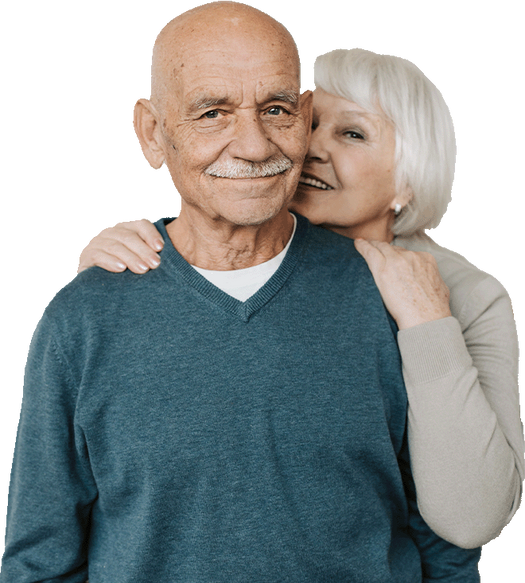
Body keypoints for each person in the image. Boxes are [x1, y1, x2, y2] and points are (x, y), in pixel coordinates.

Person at [0, 2, 491, 581]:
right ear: (152, 134)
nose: (255, 146)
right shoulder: (80, 319)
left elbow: (448, 551)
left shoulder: (393, 300)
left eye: (277, 109)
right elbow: (40, 561)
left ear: (305, 117)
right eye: (212, 113)